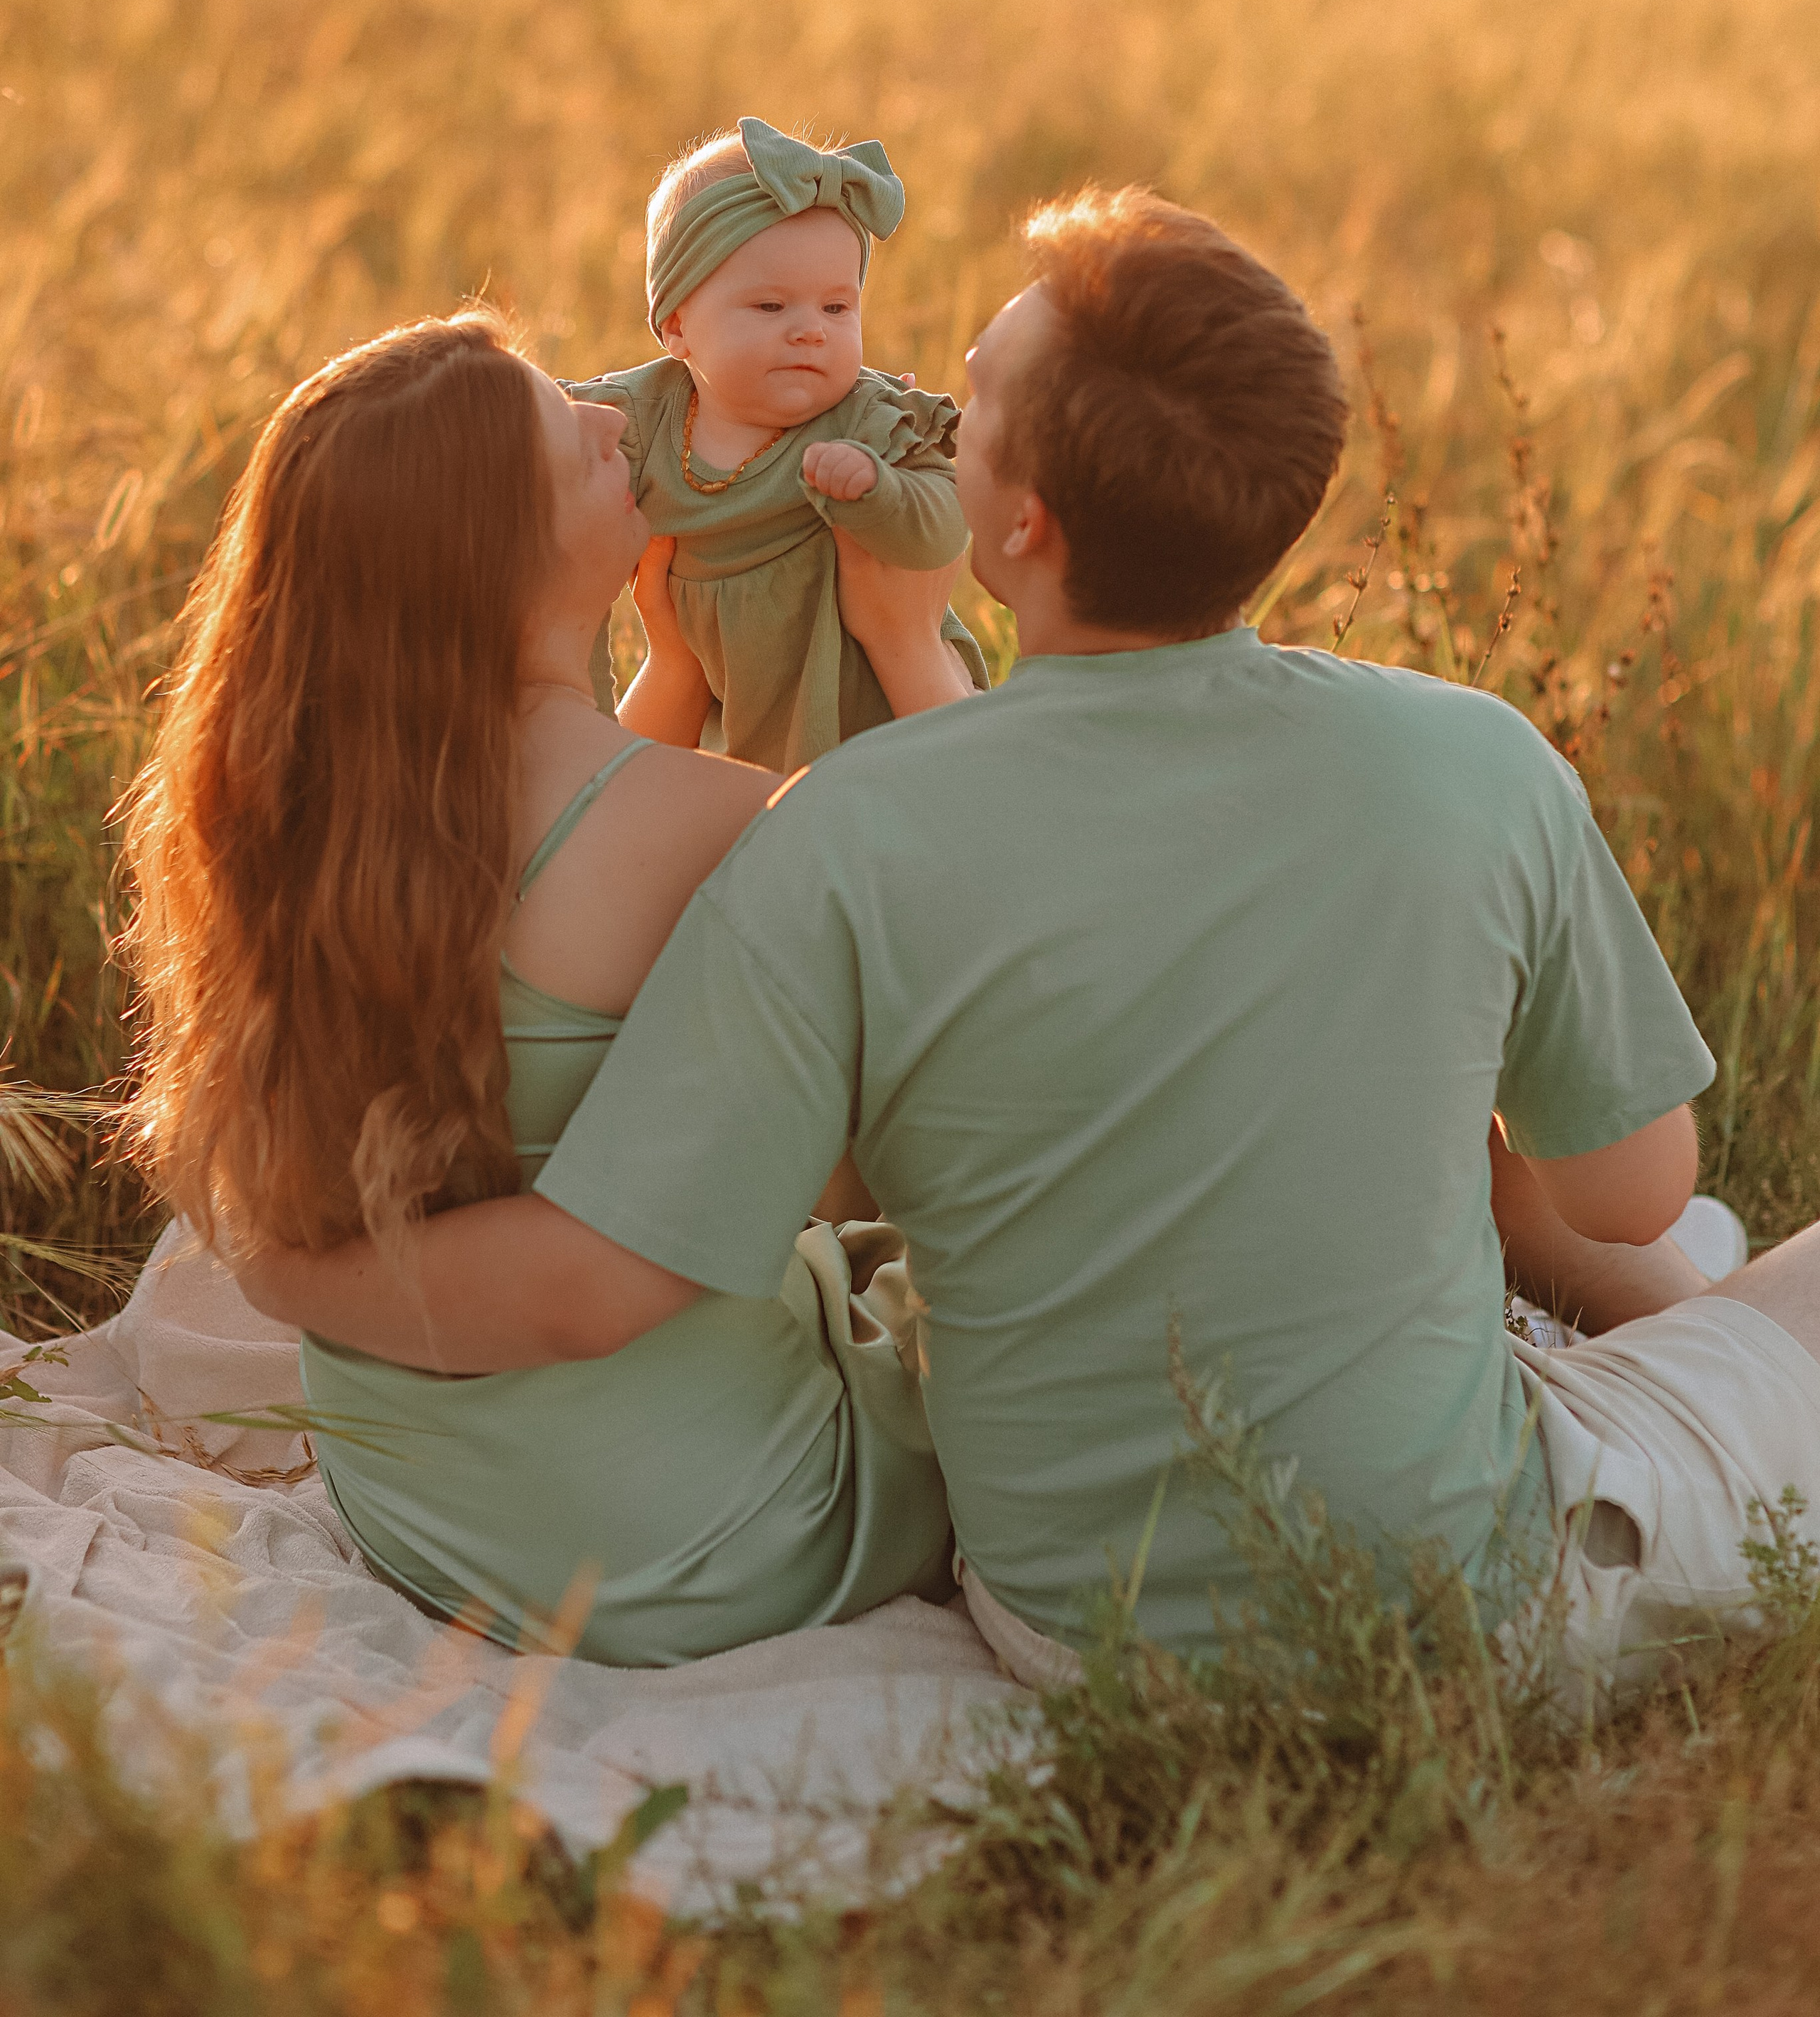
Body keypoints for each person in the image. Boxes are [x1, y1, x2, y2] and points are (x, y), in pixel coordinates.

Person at [241, 193, 1820, 1704]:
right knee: (1717, 1276)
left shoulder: (837, 833)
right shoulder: (1475, 758)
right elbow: (1634, 1191)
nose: (905, 409)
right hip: (1448, 1607)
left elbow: (806, 1186)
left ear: (1015, 523)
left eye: (958, 408)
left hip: (1057, 1617)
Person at [126, 310, 963, 1666]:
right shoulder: (710, 825)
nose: (610, 418)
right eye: (559, 436)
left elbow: (551, 894)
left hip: (423, 1508)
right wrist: (910, 645)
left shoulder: (295, 813)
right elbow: (881, 1164)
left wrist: (678, 669)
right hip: (690, 1538)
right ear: (495, 556)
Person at [568, 116, 987, 770]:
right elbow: (548, 467)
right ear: (676, 326)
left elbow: (942, 530)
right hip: (742, 734)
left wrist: (881, 493)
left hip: (892, 723)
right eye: (771, 307)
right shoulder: (642, 419)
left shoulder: (867, 419)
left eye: (836, 308)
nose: (810, 332)